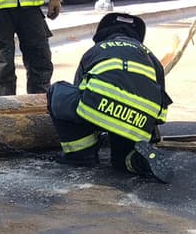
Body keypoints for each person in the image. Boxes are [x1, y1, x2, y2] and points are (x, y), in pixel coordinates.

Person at [46, 11, 173, 182]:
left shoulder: (96, 50)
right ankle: (136, 161)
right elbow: (160, 100)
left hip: (99, 111)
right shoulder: (150, 56)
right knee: (120, 161)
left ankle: (81, 154)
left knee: (57, 91)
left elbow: (80, 93)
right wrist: (150, 136)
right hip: (137, 122)